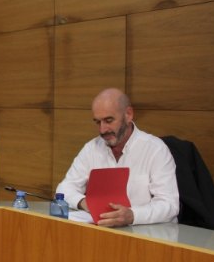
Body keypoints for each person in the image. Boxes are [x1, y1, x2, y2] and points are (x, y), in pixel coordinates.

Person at [56, 88, 179, 227]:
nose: (102, 130)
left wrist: (132, 215)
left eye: (109, 120)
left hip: (147, 234)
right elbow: (64, 189)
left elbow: (169, 205)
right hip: (103, 231)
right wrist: (86, 203)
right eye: (98, 122)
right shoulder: (91, 148)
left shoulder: (156, 149)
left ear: (128, 115)